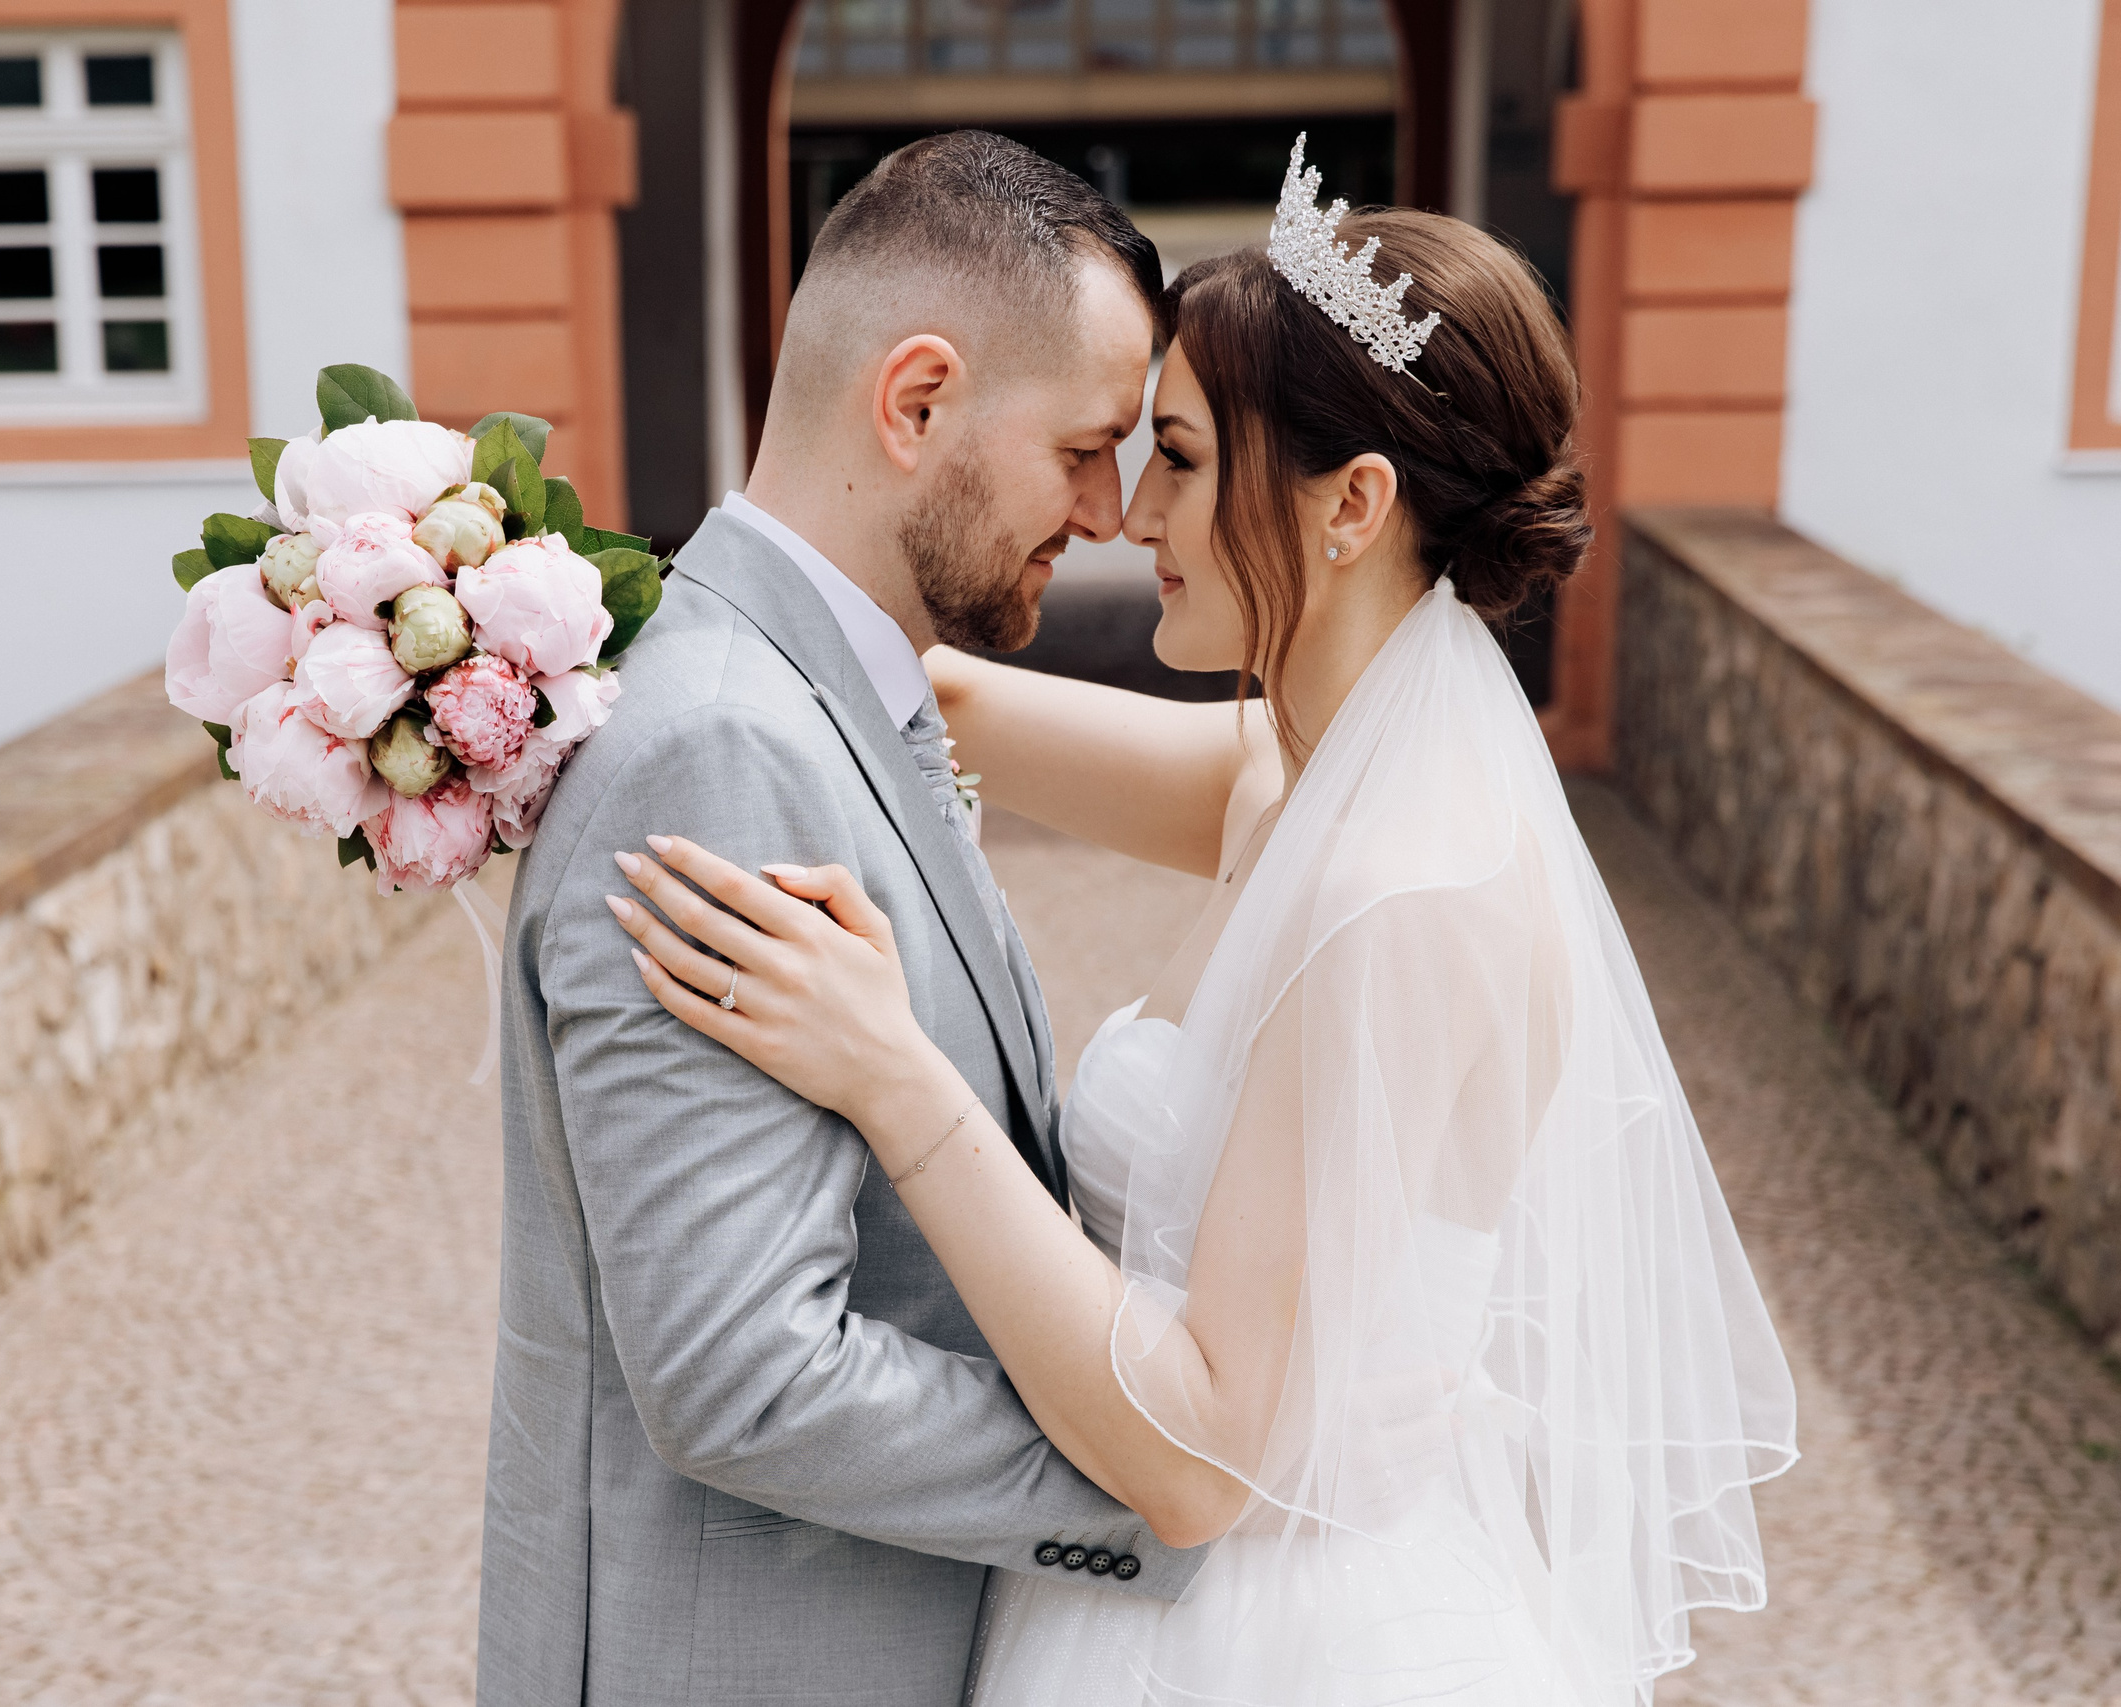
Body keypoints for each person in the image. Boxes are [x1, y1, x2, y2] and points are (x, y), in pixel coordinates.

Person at [604, 140, 1800, 1705]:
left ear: (1353, 504)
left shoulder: (1400, 899)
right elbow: (899, 680)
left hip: (1294, 1634)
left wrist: (894, 1078)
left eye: (1174, 456)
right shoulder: (1286, 782)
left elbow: (1207, 1455)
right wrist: (501, 640)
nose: (1120, 514)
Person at [476, 132, 1211, 1706]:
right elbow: (747, 1374)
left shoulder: (829, 696)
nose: (1106, 505)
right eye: (1086, 444)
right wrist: (1162, 1475)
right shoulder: (724, 748)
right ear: (920, 400)